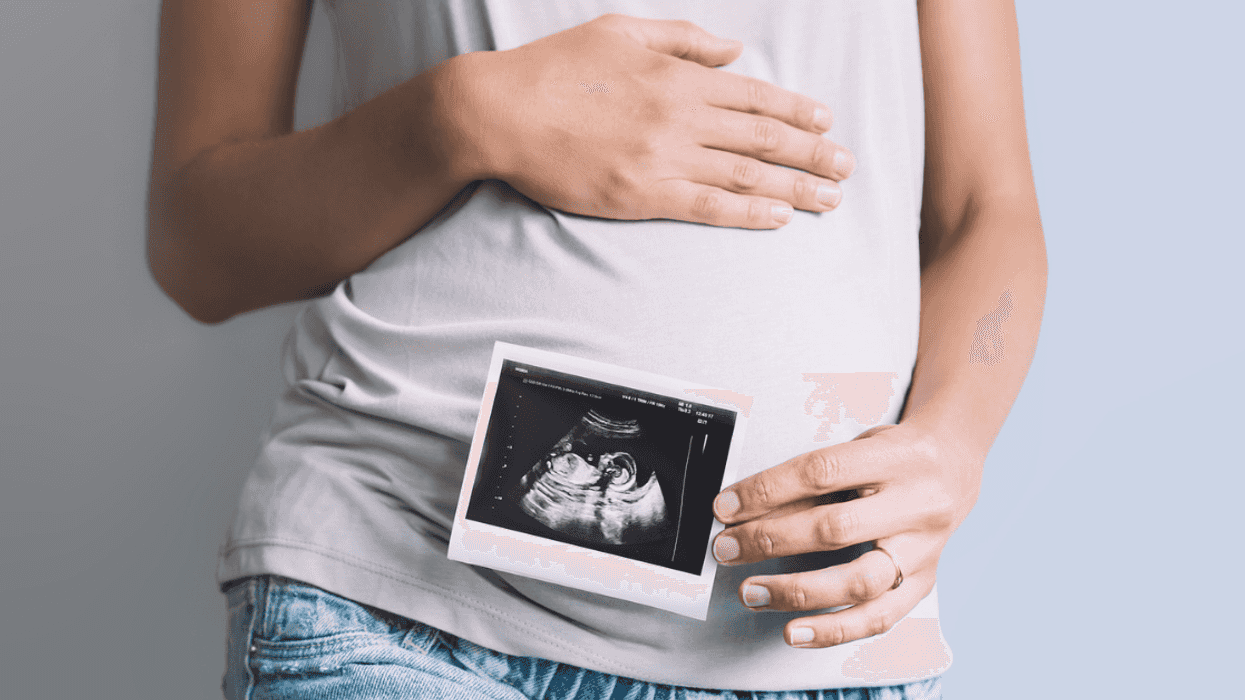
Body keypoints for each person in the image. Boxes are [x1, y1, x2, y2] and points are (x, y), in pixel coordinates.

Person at [147, 0, 1046, 697]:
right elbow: (199, 249)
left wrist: (953, 441)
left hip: (818, 640)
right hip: (397, 606)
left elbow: (986, 211)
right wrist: (461, 113)